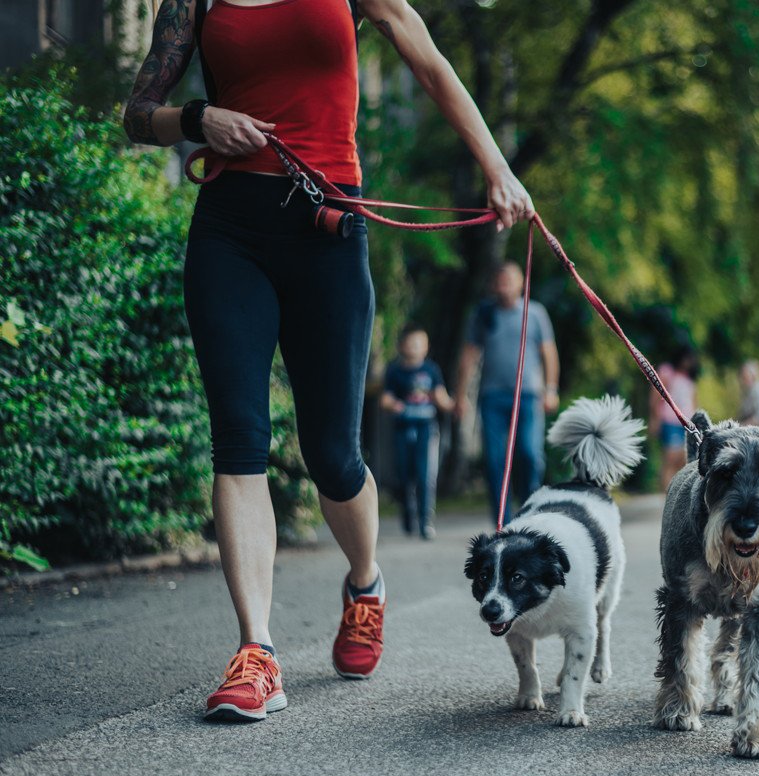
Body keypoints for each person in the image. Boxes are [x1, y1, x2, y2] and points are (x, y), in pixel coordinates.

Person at [123, 0, 534, 720]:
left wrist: (497, 169)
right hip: (228, 229)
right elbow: (136, 113)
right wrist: (197, 120)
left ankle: (366, 583)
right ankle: (258, 652)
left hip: (328, 226)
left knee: (333, 456)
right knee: (239, 443)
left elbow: (429, 61)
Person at [455, 262, 560, 524]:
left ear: (521, 282)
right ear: (493, 285)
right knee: (494, 461)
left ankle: (529, 514)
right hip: (492, 397)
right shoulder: (484, 315)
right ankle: (502, 520)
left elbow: (549, 353)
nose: (504, 286)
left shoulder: (535, 313)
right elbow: (468, 357)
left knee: (529, 454)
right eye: (499, 281)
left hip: (527, 396)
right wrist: (460, 396)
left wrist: (551, 389)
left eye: (509, 280)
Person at [381, 328, 453, 540]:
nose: (415, 347)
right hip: (403, 429)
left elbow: (441, 396)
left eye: (420, 343)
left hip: (427, 429)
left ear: (426, 347)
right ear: (401, 345)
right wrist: (393, 404)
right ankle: (407, 514)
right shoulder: (394, 371)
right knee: (404, 476)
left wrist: (453, 405)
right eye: (411, 343)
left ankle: (425, 521)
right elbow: (385, 398)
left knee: (425, 476)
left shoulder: (431, 370)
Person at [648, 347, 698, 491]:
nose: (688, 361)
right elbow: (655, 397)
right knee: (670, 460)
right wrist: (654, 419)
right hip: (670, 422)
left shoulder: (690, 378)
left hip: (687, 424)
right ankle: (667, 499)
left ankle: (677, 498)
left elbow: (694, 403)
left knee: (682, 463)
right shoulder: (667, 371)